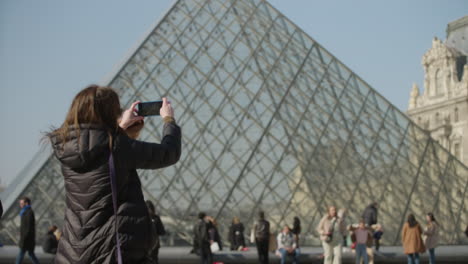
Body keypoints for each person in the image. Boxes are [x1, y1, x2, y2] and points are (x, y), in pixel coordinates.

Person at [48, 85, 181, 263]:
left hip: (73, 250)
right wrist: (169, 120)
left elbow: (97, 147)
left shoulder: (66, 147)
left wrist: (121, 127)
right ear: (108, 113)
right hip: (112, 248)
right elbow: (168, 153)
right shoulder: (118, 146)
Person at [15, 197, 40, 264]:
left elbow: (28, 227)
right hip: (28, 238)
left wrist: (24, 237)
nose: (20, 205)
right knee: (31, 254)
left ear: (26, 203)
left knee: (21, 254)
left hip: (27, 239)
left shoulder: (28, 212)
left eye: (21, 203)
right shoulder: (25, 212)